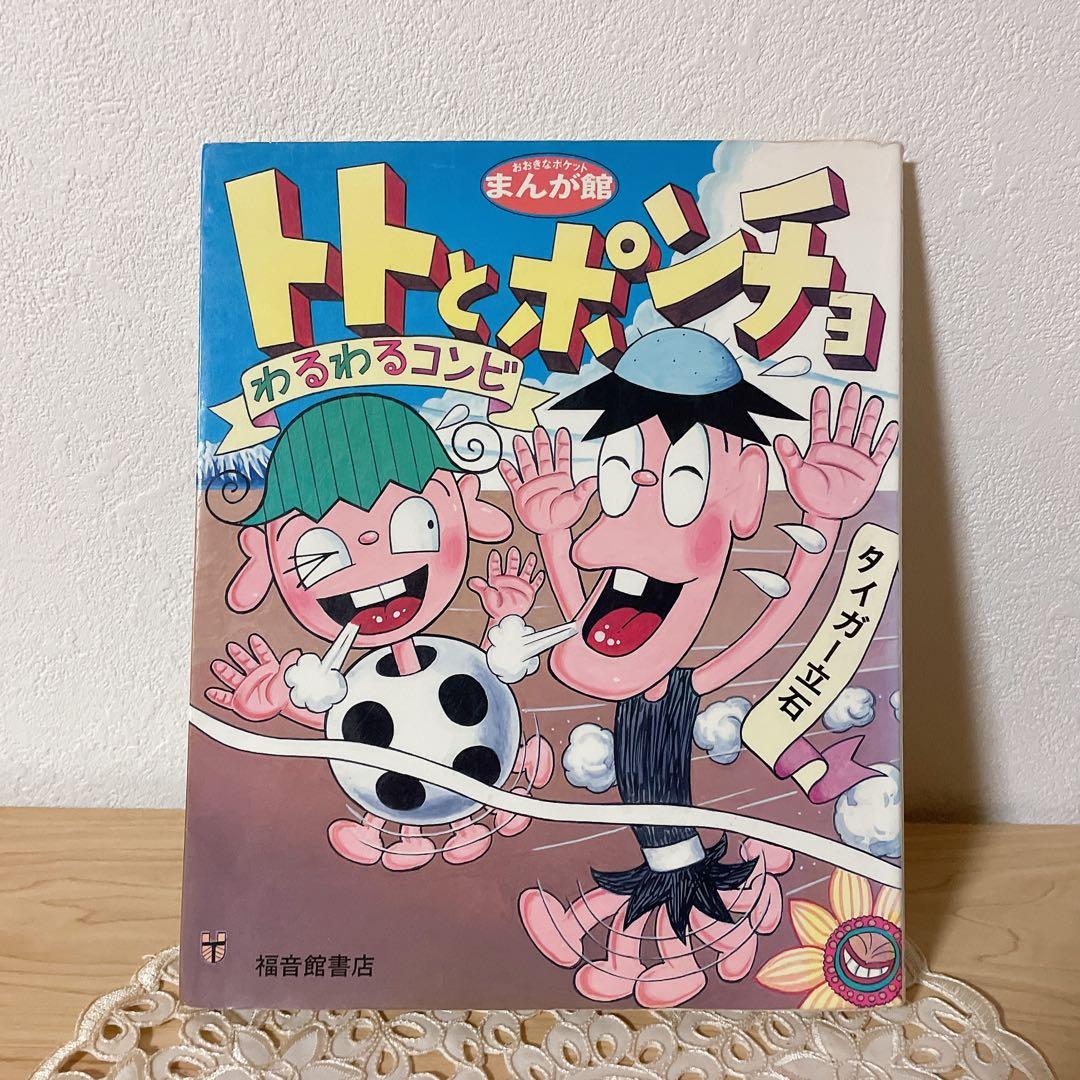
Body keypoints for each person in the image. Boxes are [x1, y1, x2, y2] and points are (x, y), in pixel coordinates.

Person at [499, 327, 898, 1004]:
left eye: (683, 481)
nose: (640, 491)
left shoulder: (688, 683)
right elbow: (583, 616)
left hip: (671, 833)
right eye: (620, 473)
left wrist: (825, 525)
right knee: (656, 878)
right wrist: (553, 531)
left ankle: (694, 946)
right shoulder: (616, 644)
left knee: (671, 885)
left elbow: (771, 626)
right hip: (654, 829)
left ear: (742, 492)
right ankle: (704, 915)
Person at [205, 393, 553, 869]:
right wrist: (282, 699)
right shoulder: (348, 683)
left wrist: (504, 622)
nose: (370, 544)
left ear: (465, 507)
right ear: (264, 558)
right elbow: (338, 722)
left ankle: (489, 800)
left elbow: (492, 671)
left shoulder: (456, 659)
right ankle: (406, 834)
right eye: (320, 548)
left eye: (414, 522)